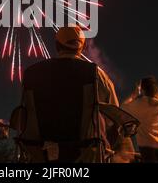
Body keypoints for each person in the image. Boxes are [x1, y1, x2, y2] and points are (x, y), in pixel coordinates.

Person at [21, 26, 125, 162]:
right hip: (86, 153)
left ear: (57, 46)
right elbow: (113, 114)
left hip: (40, 154)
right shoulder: (95, 73)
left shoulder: (31, 74)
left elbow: (24, 115)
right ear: (82, 47)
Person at [121, 76, 158, 163]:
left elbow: (123, 107)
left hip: (147, 147)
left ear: (142, 90)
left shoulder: (139, 104)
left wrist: (135, 93)